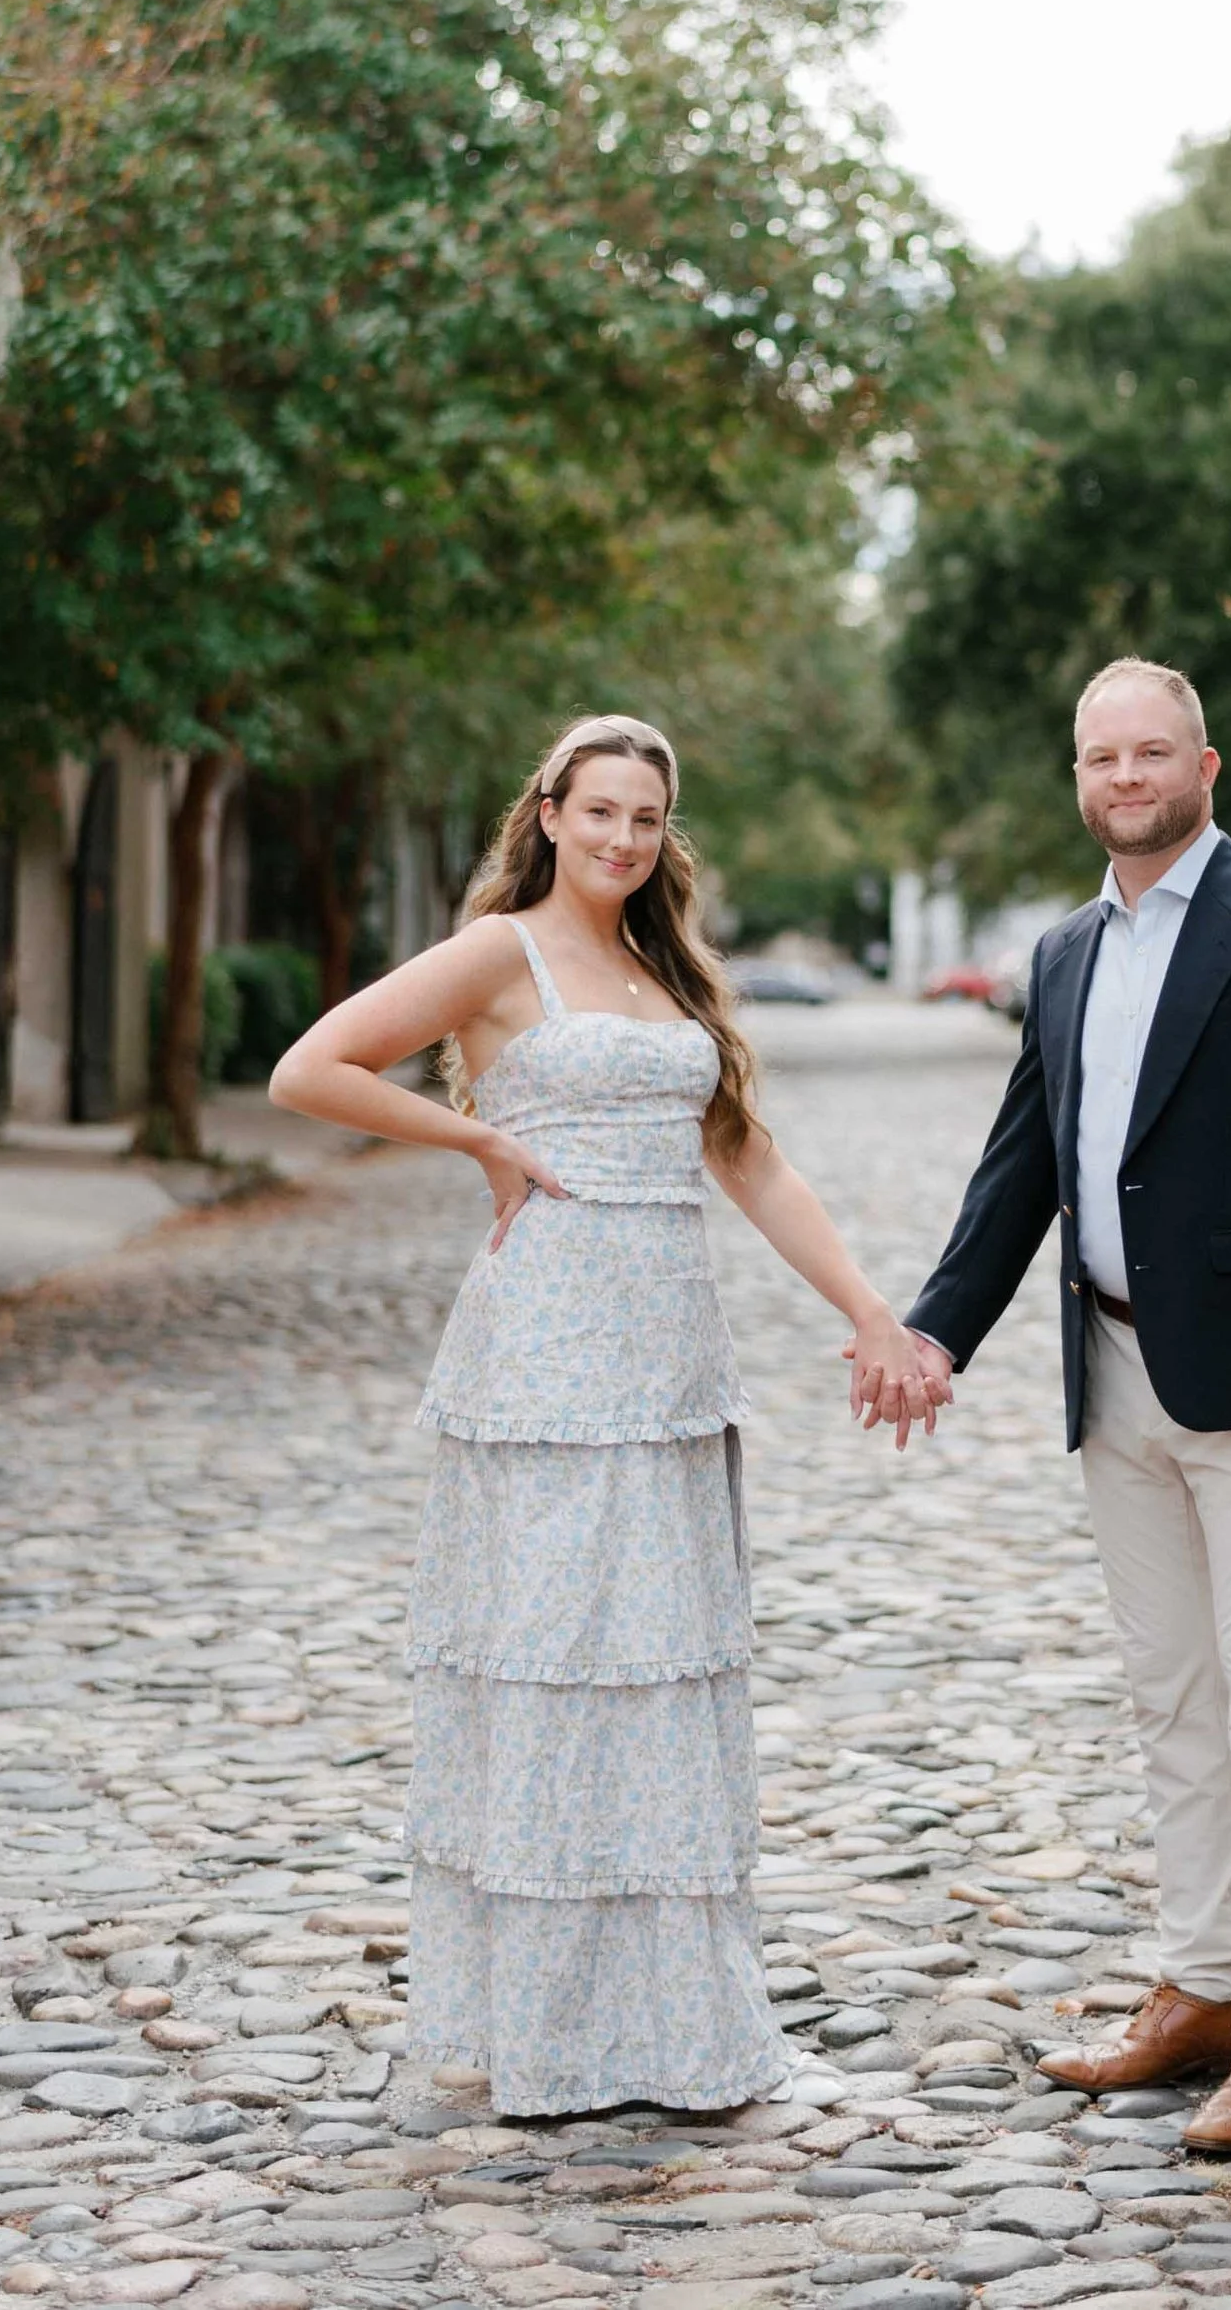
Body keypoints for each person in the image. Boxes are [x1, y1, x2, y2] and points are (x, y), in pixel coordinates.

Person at [271, 713, 936, 2118]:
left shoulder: (665, 970)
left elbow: (752, 1162)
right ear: (552, 812)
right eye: (601, 811)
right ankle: (549, 2023)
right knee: (557, 1674)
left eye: (646, 817)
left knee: (657, 1679)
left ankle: (663, 2020)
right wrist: (479, 1140)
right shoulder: (500, 952)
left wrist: (871, 1313)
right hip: (546, 1365)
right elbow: (312, 1067)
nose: (623, 838)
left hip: (668, 1363)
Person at [898, 657, 1231, 2156]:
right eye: (1102, 756)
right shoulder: (1061, 953)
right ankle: (1199, 1988)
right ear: (1079, 775)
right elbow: (1021, 1173)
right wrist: (934, 1333)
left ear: (1207, 765)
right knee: (1171, 1698)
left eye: (1153, 752)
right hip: (1110, 1373)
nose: (1127, 776)